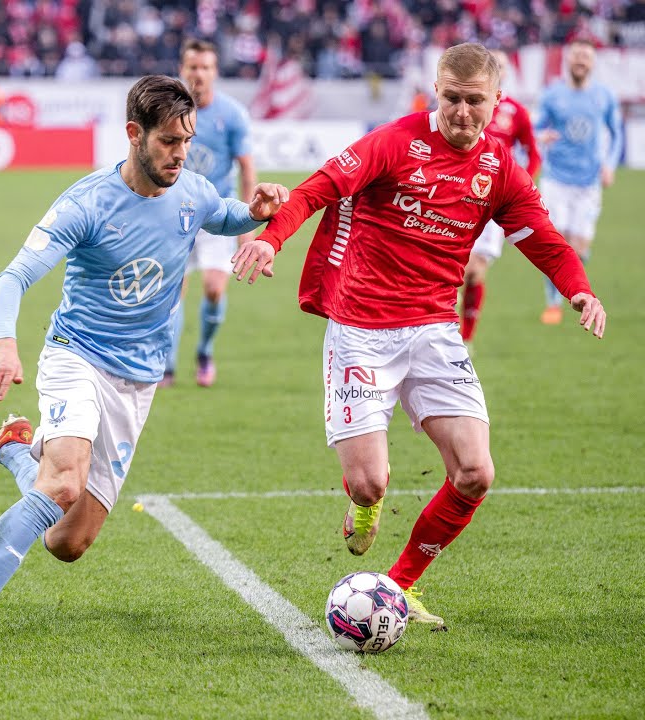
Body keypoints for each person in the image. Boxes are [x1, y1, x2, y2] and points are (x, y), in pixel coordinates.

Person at [230, 42, 606, 628]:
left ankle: (398, 585)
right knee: (368, 480)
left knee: (476, 473)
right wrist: (268, 238)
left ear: (497, 101)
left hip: (433, 331)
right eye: (451, 98)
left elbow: (543, 237)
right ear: (436, 92)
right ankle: (368, 504)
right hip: (360, 329)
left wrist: (577, 286)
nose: (461, 112)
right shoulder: (393, 142)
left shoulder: (498, 168)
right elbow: (315, 190)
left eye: (474, 102)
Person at [0, 75, 289, 652]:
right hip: (77, 358)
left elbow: (223, 216)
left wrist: (255, 211)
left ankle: (15, 446)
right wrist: (3, 343)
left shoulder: (191, 190)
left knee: (67, 542)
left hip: (137, 380)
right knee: (64, 481)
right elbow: (12, 278)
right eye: (169, 140)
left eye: (187, 139)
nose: (181, 152)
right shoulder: (87, 203)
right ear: (133, 134)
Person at [161, 38, 258, 388]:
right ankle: (167, 366)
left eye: (205, 67)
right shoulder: (168, 112)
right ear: (182, 70)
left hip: (217, 213)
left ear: (214, 72)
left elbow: (247, 169)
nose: (198, 74)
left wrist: (248, 224)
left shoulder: (231, 114)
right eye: (192, 67)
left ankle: (204, 351)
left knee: (215, 289)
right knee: (172, 294)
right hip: (174, 214)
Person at [532, 38, 623, 325]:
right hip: (556, 180)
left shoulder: (604, 96)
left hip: (588, 182)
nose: (581, 61)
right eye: (576, 56)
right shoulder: (552, 95)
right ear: (567, 60)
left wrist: (609, 164)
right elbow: (533, 130)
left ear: (593, 63)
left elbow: (617, 133)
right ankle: (553, 304)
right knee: (556, 245)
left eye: (586, 57)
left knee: (579, 249)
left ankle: (574, 290)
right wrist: (540, 139)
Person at [458, 49, 542, 345]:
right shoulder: (464, 105)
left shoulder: (516, 112)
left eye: (502, 66)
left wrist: (521, 186)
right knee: (453, 267)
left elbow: (533, 153)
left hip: (494, 201)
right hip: (456, 195)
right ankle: (439, 332)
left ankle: (464, 338)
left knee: (474, 269)